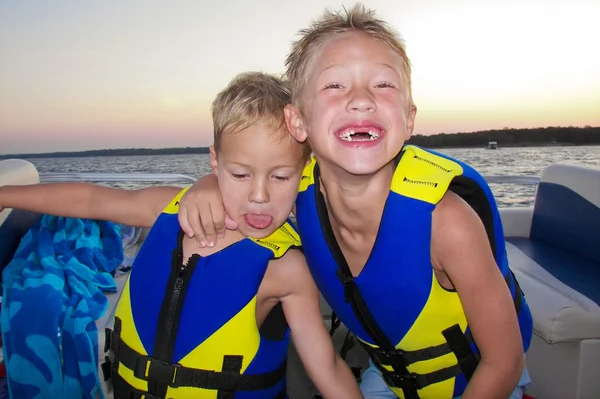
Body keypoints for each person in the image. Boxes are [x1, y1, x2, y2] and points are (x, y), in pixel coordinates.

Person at [177, 6, 534, 399]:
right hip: (389, 380)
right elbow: (249, 177)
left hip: (480, 381)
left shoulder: (446, 224)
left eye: (383, 85)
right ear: (298, 122)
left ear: (408, 118)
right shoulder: (295, 194)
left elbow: (504, 361)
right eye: (335, 86)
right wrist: (208, 184)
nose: (362, 100)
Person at [0, 72, 363, 399]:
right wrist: (4, 195)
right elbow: (92, 198)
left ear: (303, 172)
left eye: (280, 177)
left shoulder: (288, 268)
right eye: (240, 174)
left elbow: (327, 368)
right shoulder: (169, 210)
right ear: (216, 163)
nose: (259, 194)